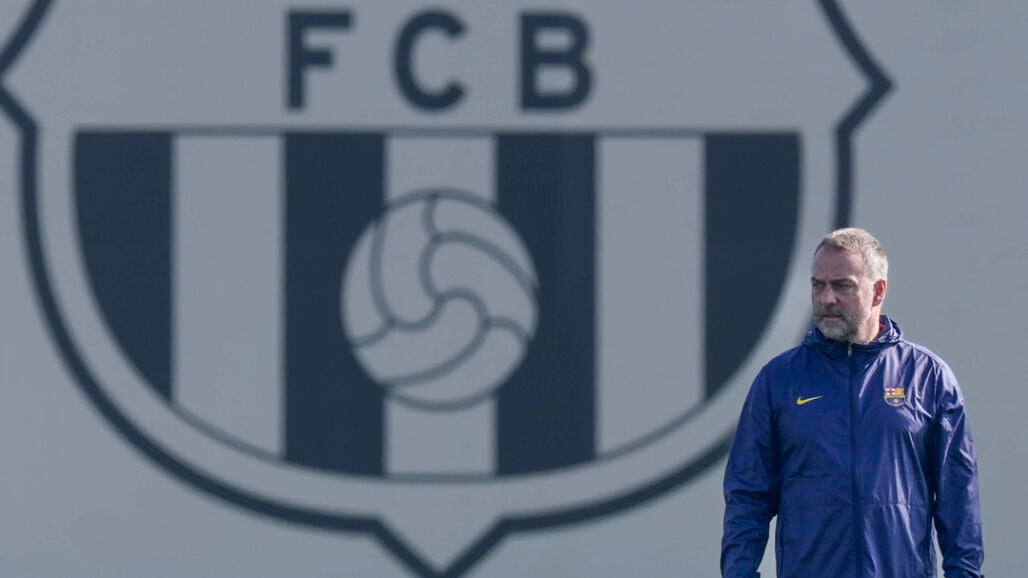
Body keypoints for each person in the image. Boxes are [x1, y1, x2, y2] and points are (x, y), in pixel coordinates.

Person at [720, 228, 984, 578]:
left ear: (878, 291)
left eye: (842, 286)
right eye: (818, 285)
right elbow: (747, 498)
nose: (826, 298)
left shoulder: (929, 377)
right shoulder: (778, 380)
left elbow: (959, 499)